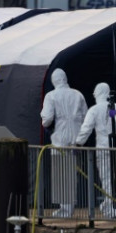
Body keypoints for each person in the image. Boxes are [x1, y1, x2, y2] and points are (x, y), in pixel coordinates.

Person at [40, 68, 88, 218]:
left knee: (60, 172)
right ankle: (68, 207)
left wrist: (43, 117)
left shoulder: (51, 96)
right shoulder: (78, 94)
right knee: (72, 172)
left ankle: (65, 208)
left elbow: (47, 119)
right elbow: (86, 116)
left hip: (60, 138)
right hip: (76, 137)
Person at [75, 82, 116, 219]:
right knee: (115, 177)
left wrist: (78, 144)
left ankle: (112, 208)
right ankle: (111, 204)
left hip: (104, 148)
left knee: (107, 177)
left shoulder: (94, 109)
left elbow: (86, 129)